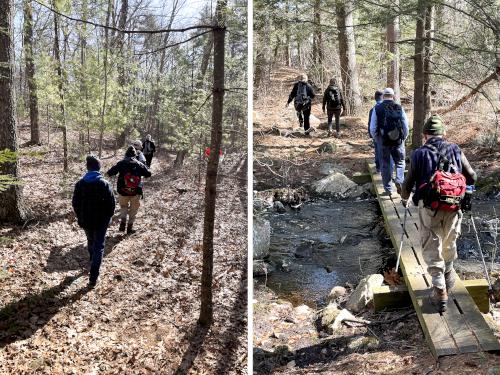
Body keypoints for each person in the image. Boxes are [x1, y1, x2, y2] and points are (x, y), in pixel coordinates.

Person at [401, 115, 477, 312]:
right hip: (454, 206)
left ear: (425, 135)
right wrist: (466, 191)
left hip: (429, 208)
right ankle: (449, 273)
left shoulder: (418, 154)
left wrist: (404, 197)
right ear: (444, 134)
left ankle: (439, 289)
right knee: (449, 240)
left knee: (431, 243)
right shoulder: (455, 149)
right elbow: (472, 176)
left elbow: (408, 183)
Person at [72, 155, 116, 288]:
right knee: (98, 246)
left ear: (87, 168)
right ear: (99, 168)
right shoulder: (104, 184)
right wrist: (108, 218)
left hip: (86, 221)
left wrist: (80, 216)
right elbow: (111, 205)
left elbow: (75, 203)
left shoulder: (80, 184)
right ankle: (93, 277)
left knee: (91, 241)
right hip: (101, 222)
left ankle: (92, 260)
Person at [369, 87, 409, 195]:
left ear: (383, 96)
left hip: (383, 140)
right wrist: (403, 138)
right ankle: (399, 181)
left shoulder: (377, 108)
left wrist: (377, 139)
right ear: (393, 96)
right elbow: (405, 125)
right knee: (400, 162)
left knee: (385, 164)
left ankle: (388, 189)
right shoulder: (399, 107)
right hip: (398, 141)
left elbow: (372, 128)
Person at [107, 146, 151, 234]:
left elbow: (109, 173)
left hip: (122, 191)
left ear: (126, 154)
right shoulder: (139, 164)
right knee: (133, 209)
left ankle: (123, 221)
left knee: (123, 207)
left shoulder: (121, 163)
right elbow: (148, 174)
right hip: (136, 191)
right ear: (135, 155)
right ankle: (130, 228)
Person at [368, 90, 384, 172]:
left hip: (377, 134)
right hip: (388, 134)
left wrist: (371, 135)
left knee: (377, 150)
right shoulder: (387, 107)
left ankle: (378, 168)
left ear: (375, 98)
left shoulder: (373, 109)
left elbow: (370, 123)